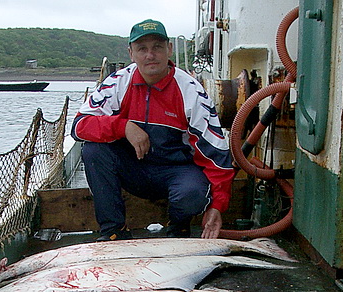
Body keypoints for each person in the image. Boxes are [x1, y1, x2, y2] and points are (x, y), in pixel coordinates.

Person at [71, 18, 235, 241]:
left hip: (176, 172)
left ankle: (179, 230)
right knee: (93, 151)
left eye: (157, 47)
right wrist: (124, 126)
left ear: (169, 49)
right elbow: (79, 126)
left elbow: (216, 154)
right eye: (142, 49)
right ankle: (113, 233)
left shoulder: (191, 91)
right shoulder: (118, 82)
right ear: (131, 53)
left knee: (192, 195)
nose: (150, 55)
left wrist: (218, 205)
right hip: (133, 169)